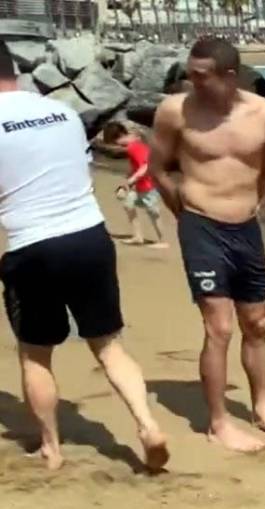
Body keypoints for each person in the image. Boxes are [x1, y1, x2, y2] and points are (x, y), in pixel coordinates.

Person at [0, 42, 168, 471]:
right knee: (109, 344)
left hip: (32, 245)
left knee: (35, 353)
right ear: (15, 70)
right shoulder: (64, 114)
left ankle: (52, 449)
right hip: (89, 236)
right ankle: (148, 425)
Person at [148, 37, 265, 453]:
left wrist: (251, 208)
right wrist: (185, 216)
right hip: (200, 226)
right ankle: (218, 423)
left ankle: (262, 407)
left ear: (230, 76)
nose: (190, 80)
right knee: (219, 327)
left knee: (257, 324)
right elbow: (158, 169)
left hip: (245, 227)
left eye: (201, 75)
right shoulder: (175, 111)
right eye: (189, 72)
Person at [102, 122, 167, 248]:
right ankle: (138, 236)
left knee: (153, 212)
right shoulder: (134, 143)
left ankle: (163, 241)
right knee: (128, 204)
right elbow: (136, 166)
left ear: (119, 136)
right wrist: (128, 182)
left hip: (149, 185)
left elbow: (145, 166)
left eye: (115, 142)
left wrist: (131, 180)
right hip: (139, 185)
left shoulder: (133, 147)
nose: (116, 146)